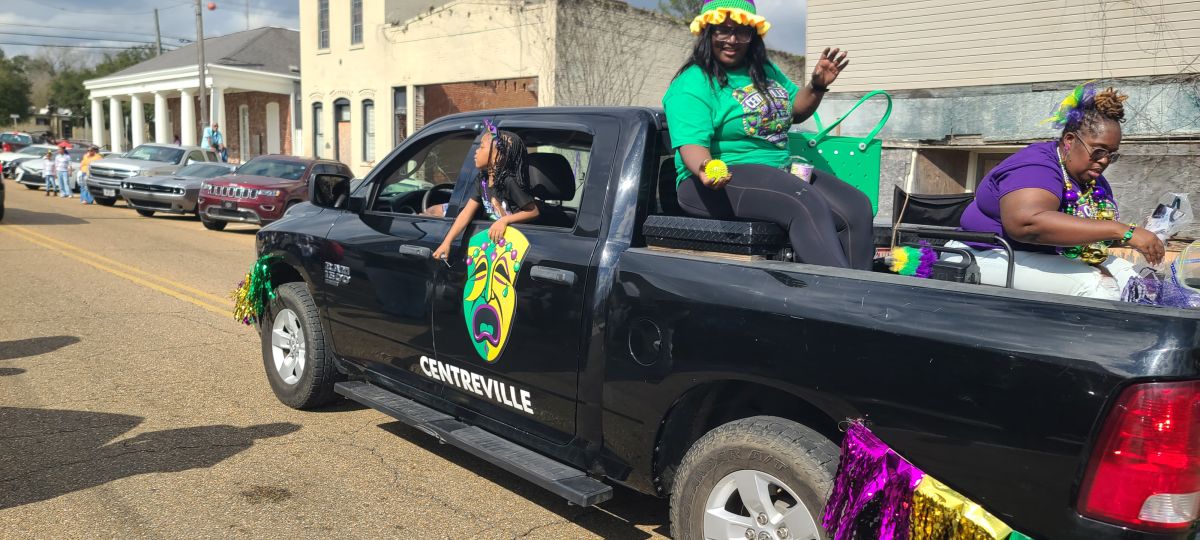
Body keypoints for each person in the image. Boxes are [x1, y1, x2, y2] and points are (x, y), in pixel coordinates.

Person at [662, 0, 874, 269]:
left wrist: (818, 85)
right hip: (717, 179)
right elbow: (691, 145)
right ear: (707, 32)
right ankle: (843, 301)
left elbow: (795, 110)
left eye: (742, 31)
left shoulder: (764, 71)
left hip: (779, 170)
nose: (732, 39)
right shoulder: (693, 83)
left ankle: (865, 293)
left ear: (753, 34)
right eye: (723, 30)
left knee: (856, 206)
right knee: (803, 203)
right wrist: (707, 168)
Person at [956, 83, 1163, 299]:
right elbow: (1027, 224)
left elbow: (1093, 230)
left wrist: (1140, 237)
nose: (1104, 161)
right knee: (1100, 288)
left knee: (1143, 284)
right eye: (1098, 150)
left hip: (1046, 254)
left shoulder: (1094, 181)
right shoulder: (1035, 165)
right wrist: (1122, 231)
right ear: (1069, 140)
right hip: (987, 252)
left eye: (1111, 155)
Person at [431, 126, 540, 261]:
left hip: (516, 246)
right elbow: (466, 213)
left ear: (498, 156)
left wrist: (504, 221)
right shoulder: (482, 180)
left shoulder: (509, 182)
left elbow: (533, 211)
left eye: (481, 147)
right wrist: (447, 242)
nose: (476, 152)